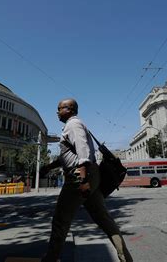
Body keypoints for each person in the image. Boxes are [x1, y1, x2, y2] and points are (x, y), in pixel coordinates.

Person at [39, 98, 133, 262]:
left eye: (59, 108)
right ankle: (126, 258)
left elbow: (83, 150)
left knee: (60, 221)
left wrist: (82, 179)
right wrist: (49, 167)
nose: (56, 111)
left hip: (80, 176)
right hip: (89, 175)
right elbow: (68, 155)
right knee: (104, 220)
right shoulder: (74, 125)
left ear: (70, 109)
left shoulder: (73, 124)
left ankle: (50, 259)